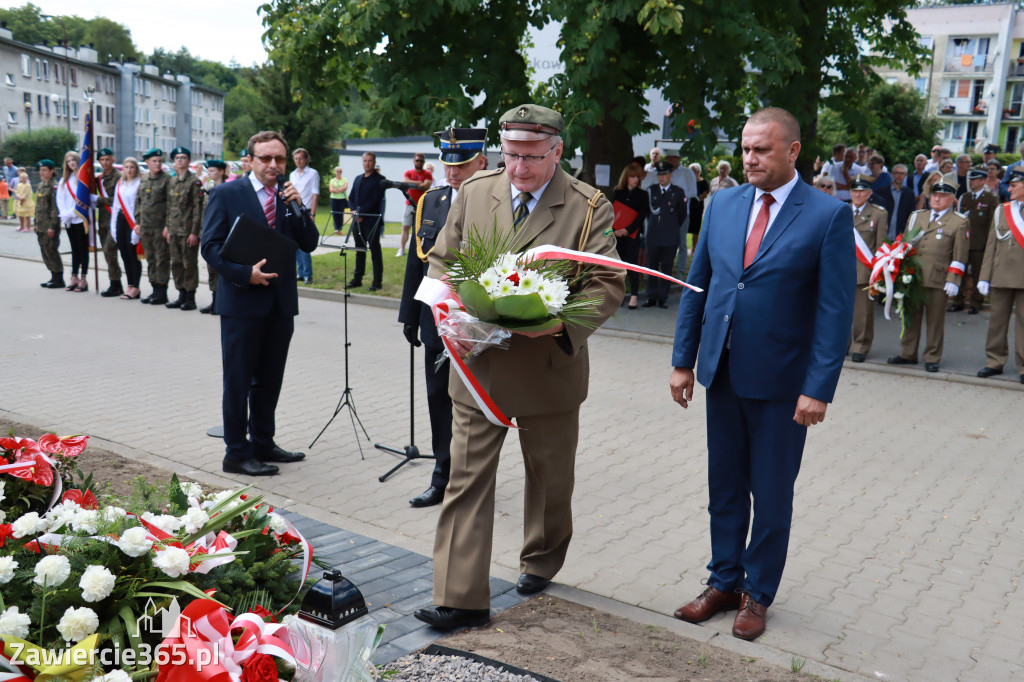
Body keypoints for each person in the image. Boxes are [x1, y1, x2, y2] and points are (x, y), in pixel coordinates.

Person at [413, 104, 625, 631]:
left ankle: (542, 558)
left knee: (550, 482)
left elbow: (606, 284)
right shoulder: (476, 190)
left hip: (547, 367)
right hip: (478, 367)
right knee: (465, 480)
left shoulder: (587, 206)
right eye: (511, 155)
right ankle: (460, 597)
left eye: (532, 157)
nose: (520, 168)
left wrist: (555, 325)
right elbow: (444, 257)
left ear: (556, 152)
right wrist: (445, 308)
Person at [669, 107, 854, 641]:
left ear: (792, 151)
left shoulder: (826, 216)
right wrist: (684, 360)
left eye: (761, 150)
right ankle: (723, 580)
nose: (748, 158)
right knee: (724, 486)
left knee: (771, 494)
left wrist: (817, 388)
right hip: (721, 373)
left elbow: (835, 312)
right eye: (746, 148)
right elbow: (697, 286)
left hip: (782, 385)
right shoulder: (722, 204)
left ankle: (757, 593)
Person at [200, 130, 319, 477]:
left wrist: (299, 208)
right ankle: (236, 453)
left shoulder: (288, 196)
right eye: (265, 158)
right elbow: (210, 247)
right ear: (249, 160)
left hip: (280, 305)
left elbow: (309, 243)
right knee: (238, 380)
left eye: (279, 159)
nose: (273, 165)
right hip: (241, 302)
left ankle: (263, 441)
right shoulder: (225, 193)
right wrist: (243, 273)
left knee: (269, 379)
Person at [398, 127, 488, 509]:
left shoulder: (494, 202)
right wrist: (409, 314)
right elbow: (416, 265)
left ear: (482, 162)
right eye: (449, 164)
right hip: (435, 316)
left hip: (479, 322)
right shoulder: (432, 201)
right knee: (438, 398)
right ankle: (442, 476)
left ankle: (476, 479)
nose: (453, 172)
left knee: (478, 404)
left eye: (463, 164)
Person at [887, 181, 969, 373]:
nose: (937, 199)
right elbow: (904, 245)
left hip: (938, 278)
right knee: (910, 317)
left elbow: (960, 254)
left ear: (951, 199)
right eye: (934, 195)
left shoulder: (959, 221)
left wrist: (954, 279)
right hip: (913, 277)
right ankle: (908, 353)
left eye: (942, 196)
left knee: (934, 321)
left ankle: (932, 356)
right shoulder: (917, 217)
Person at [975, 168, 1024, 384]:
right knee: (997, 322)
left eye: (1014, 185)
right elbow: (991, 246)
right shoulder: (1001, 211)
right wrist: (984, 277)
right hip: (1001, 274)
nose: (1009, 188)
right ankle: (994, 361)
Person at [848, 176, 888, 362]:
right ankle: (842, 345)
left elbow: (880, 246)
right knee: (840, 312)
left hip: (864, 270)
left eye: (862, 191)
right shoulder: (841, 210)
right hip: (841, 271)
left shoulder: (878, 214)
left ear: (869, 193)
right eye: (854, 190)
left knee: (863, 313)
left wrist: (878, 274)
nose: (857, 194)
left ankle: (861, 346)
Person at [949, 169, 996, 314]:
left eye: (975, 179)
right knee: (959, 272)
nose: (972, 182)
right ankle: (958, 300)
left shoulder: (990, 199)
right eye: (971, 179)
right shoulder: (965, 197)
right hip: (963, 243)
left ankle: (976, 302)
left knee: (977, 274)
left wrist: (988, 245)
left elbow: (991, 224)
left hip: (979, 244)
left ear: (983, 181)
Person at [164, 147, 204, 311]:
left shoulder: (194, 182)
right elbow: (169, 206)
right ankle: (181, 294)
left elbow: (197, 209)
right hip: (173, 230)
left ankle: (190, 297)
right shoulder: (172, 181)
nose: (180, 160)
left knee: (189, 264)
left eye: (183, 157)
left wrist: (195, 232)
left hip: (188, 231)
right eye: (177, 158)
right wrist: (167, 226)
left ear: (188, 161)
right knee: (176, 264)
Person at [643, 161, 687, 309]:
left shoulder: (678, 192)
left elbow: (681, 215)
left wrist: (671, 227)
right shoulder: (651, 190)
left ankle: (662, 297)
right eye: (659, 175)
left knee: (666, 268)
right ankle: (651, 296)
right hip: (653, 236)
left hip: (670, 236)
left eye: (665, 174)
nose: (662, 178)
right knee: (652, 267)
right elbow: (648, 213)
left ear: (670, 175)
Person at [136, 149, 171, 305]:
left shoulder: (167, 180)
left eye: (159, 161)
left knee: (161, 259)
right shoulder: (144, 179)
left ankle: (162, 292)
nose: (157, 164)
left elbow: (172, 205)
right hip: (146, 227)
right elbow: (138, 202)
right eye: (154, 161)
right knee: (150, 258)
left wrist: (168, 225)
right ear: (148, 163)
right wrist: (138, 222)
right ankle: (154, 288)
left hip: (160, 227)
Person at [612, 165, 649, 309]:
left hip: (633, 235)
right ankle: (620, 295)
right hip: (617, 234)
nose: (635, 179)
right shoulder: (618, 192)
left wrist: (628, 230)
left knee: (632, 265)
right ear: (626, 177)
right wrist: (615, 230)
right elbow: (612, 211)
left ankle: (634, 296)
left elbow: (642, 215)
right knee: (618, 266)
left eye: (637, 177)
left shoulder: (643, 194)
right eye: (632, 176)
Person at [347, 152, 385, 290]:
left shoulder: (380, 180)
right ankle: (358, 279)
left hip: (371, 221)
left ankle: (377, 282)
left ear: (374, 162)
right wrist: (353, 211)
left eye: (370, 161)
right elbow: (351, 198)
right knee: (359, 250)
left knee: (375, 251)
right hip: (357, 221)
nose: (367, 163)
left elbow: (375, 201)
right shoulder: (358, 179)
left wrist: (360, 213)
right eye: (365, 160)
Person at [110, 157, 143, 300]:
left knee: (133, 254)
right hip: (121, 220)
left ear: (136, 169)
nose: (129, 170)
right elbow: (116, 205)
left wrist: (137, 225)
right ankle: (129, 285)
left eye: (132, 167)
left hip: (133, 221)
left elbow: (140, 205)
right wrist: (113, 226)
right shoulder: (120, 183)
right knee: (124, 254)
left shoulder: (139, 183)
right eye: (126, 167)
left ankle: (135, 287)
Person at [57, 153, 89, 292]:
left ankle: (83, 278)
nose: (71, 163)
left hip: (80, 218)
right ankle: (74, 276)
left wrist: (71, 213)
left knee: (83, 249)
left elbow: (84, 199)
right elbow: (60, 199)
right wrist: (64, 213)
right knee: (74, 248)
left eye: (73, 160)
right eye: (68, 161)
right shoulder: (64, 180)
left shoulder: (83, 178)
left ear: (78, 161)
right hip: (69, 219)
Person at [200, 160, 229, 314]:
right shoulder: (209, 189)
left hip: (224, 235)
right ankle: (215, 301)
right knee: (212, 269)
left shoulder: (228, 189)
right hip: (211, 233)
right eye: (208, 170)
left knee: (223, 269)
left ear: (221, 172)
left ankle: (222, 303)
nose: (209, 173)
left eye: (212, 170)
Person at [95, 148, 124, 297]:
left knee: (109, 250)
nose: (105, 162)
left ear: (112, 160)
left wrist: (100, 200)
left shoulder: (119, 177)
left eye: (107, 159)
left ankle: (117, 283)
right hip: (103, 221)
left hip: (116, 220)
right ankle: (115, 284)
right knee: (108, 254)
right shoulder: (98, 179)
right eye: (102, 160)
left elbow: (119, 200)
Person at [290, 148, 320, 284]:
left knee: (305, 244)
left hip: (306, 210)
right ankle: (300, 272)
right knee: (295, 244)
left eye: (300, 158)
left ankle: (308, 274)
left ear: (306, 159)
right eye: (296, 159)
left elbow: (315, 194)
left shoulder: (313, 173)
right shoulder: (293, 175)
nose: (298, 161)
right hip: (294, 210)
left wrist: (312, 213)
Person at [35, 159, 64, 289]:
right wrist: (35, 223)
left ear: (52, 171)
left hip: (50, 225)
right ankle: (52, 276)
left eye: (44, 170)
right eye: (40, 170)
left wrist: (53, 226)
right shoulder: (41, 185)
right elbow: (38, 207)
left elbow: (55, 209)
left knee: (52, 250)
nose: (41, 172)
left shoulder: (55, 187)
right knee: (44, 251)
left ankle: (58, 278)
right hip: (41, 225)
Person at [399, 152, 433, 257]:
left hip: (423, 204)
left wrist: (413, 183)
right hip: (410, 203)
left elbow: (426, 185)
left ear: (424, 162)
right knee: (406, 227)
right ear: (414, 161)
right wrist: (419, 183)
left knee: (420, 228)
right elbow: (405, 182)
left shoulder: (427, 174)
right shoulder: (409, 172)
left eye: (421, 160)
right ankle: (402, 249)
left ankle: (419, 250)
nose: (419, 162)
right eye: (417, 160)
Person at [871, 163, 915, 240]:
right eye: (897, 173)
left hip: (901, 234)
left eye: (902, 173)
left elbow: (911, 214)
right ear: (892, 174)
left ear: (906, 175)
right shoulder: (882, 191)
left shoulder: (909, 193)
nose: (899, 175)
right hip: (882, 232)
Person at [689, 162, 710, 246]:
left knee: (696, 229)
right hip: (688, 207)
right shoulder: (688, 182)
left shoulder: (704, 182)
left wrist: (695, 198)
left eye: (693, 171)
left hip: (698, 207)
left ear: (698, 171)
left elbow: (704, 194)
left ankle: (694, 248)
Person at [328, 166, 349, 233]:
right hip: (334, 199)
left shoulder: (344, 179)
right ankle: (336, 228)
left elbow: (345, 188)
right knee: (335, 214)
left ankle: (340, 229)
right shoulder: (332, 180)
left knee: (340, 214)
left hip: (342, 199)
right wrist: (340, 189)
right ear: (335, 172)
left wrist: (336, 190)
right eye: (337, 171)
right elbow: (331, 189)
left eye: (340, 171)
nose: (338, 173)